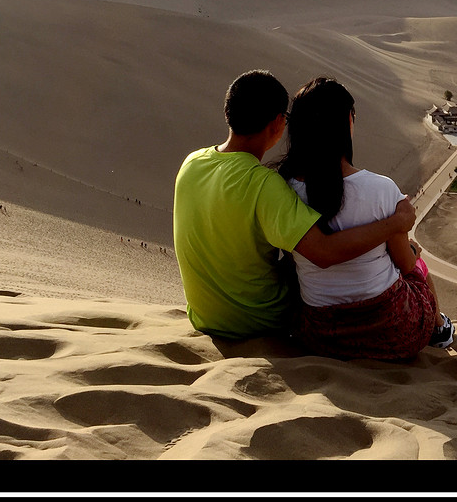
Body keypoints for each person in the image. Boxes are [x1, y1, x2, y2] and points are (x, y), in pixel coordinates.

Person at [173, 69, 417, 341]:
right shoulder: (264, 184)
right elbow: (323, 253)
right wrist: (397, 222)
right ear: (278, 122)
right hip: (259, 321)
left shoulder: (192, 163)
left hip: (205, 318)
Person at [277, 77, 454, 361]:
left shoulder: (284, 188)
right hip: (395, 334)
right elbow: (405, 263)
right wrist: (413, 251)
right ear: (348, 121)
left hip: (321, 337)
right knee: (417, 262)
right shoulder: (381, 189)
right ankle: (440, 329)